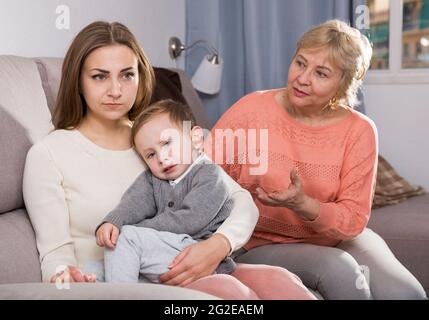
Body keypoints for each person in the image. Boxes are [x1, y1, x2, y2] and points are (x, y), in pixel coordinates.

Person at [22, 21, 314, 299]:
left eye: (127, 75)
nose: (115, 90)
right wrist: (65, 277)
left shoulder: (159, 137)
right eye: (99, 76)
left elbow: (242, 202)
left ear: (141, 76)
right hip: (119, 281)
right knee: (233, 295)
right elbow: (55, 255)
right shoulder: (49, 154)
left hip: (192, 258)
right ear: (78, 81)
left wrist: (217, 246)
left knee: (282, 282)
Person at [209, 19, 427, 300]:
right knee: (337, 269)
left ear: (343, 84)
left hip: (338, 237)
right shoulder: (251, 111)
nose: (303, 78)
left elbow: (353, 219)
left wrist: (303, 205)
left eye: (321, 73)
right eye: (300, 63)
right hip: (259, 242)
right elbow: (203, 178)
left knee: (405, 293)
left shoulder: (359, 130)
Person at [93, 99, 316, 299]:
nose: (162, 157)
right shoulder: (153, 179)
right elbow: (132, 203)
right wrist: (114, 221)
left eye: (167, 143)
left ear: (196, 138)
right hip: (173, 253)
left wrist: (133, 230)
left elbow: (191, 220)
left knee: (128, 239)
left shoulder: (209, 174)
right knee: (106, 257)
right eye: (150, 154)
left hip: (199, 250)